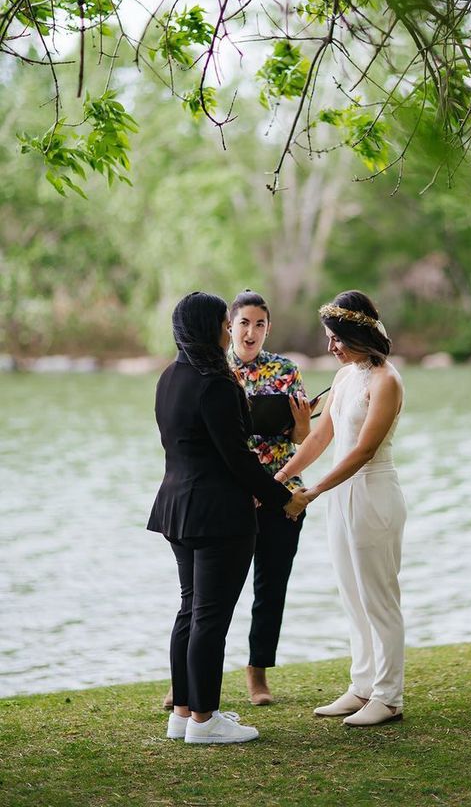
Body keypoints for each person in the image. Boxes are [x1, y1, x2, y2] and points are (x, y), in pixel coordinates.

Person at [147, 291, 307, 745]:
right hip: (218, 515)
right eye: (224, 322)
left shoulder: (169, 376)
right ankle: (204, 720)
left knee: (190, 610)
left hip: (176, 507)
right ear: (208, 328)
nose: (228, 330)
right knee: (209, 619)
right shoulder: (215, 383)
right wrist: (284, 499)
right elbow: (238, 461)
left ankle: (183, 713)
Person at [274, 290, 406, 727]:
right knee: (351, 595)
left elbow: (364, 450)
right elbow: (318, 438)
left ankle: (389, 697)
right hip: (341, 494)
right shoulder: (347, 377)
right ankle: (362, 685)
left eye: (335, 338)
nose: (330, 347)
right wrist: (279, 479)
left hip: (374, 494)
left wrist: (311, 492)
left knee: (378, 597)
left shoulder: (387, 380)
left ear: (357, 333)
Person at [229, 289, 312, 706]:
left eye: (259, 324)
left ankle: (257, 671)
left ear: (268, 328)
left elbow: (301, 438)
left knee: (270, 587)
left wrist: (300, 424)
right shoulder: (215, 371)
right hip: (231, 496)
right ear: (230, 325)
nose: (251, 331)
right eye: (244, 322)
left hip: (283, 494)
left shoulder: (285, 369)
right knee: (214, 590)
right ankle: (189, 672)